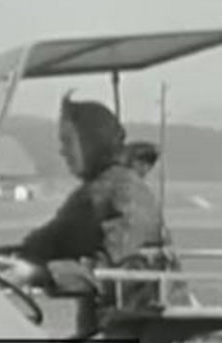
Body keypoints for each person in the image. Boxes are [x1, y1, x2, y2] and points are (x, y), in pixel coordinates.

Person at [10, 94, 165, 272]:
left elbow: (119, 267)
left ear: (91, 141)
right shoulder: (93, 193)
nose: (62, 151)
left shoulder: (128, 193)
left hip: (140, 300)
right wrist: (10, 258)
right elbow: (52, 240)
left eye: (68, 142)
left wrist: (41, 274)